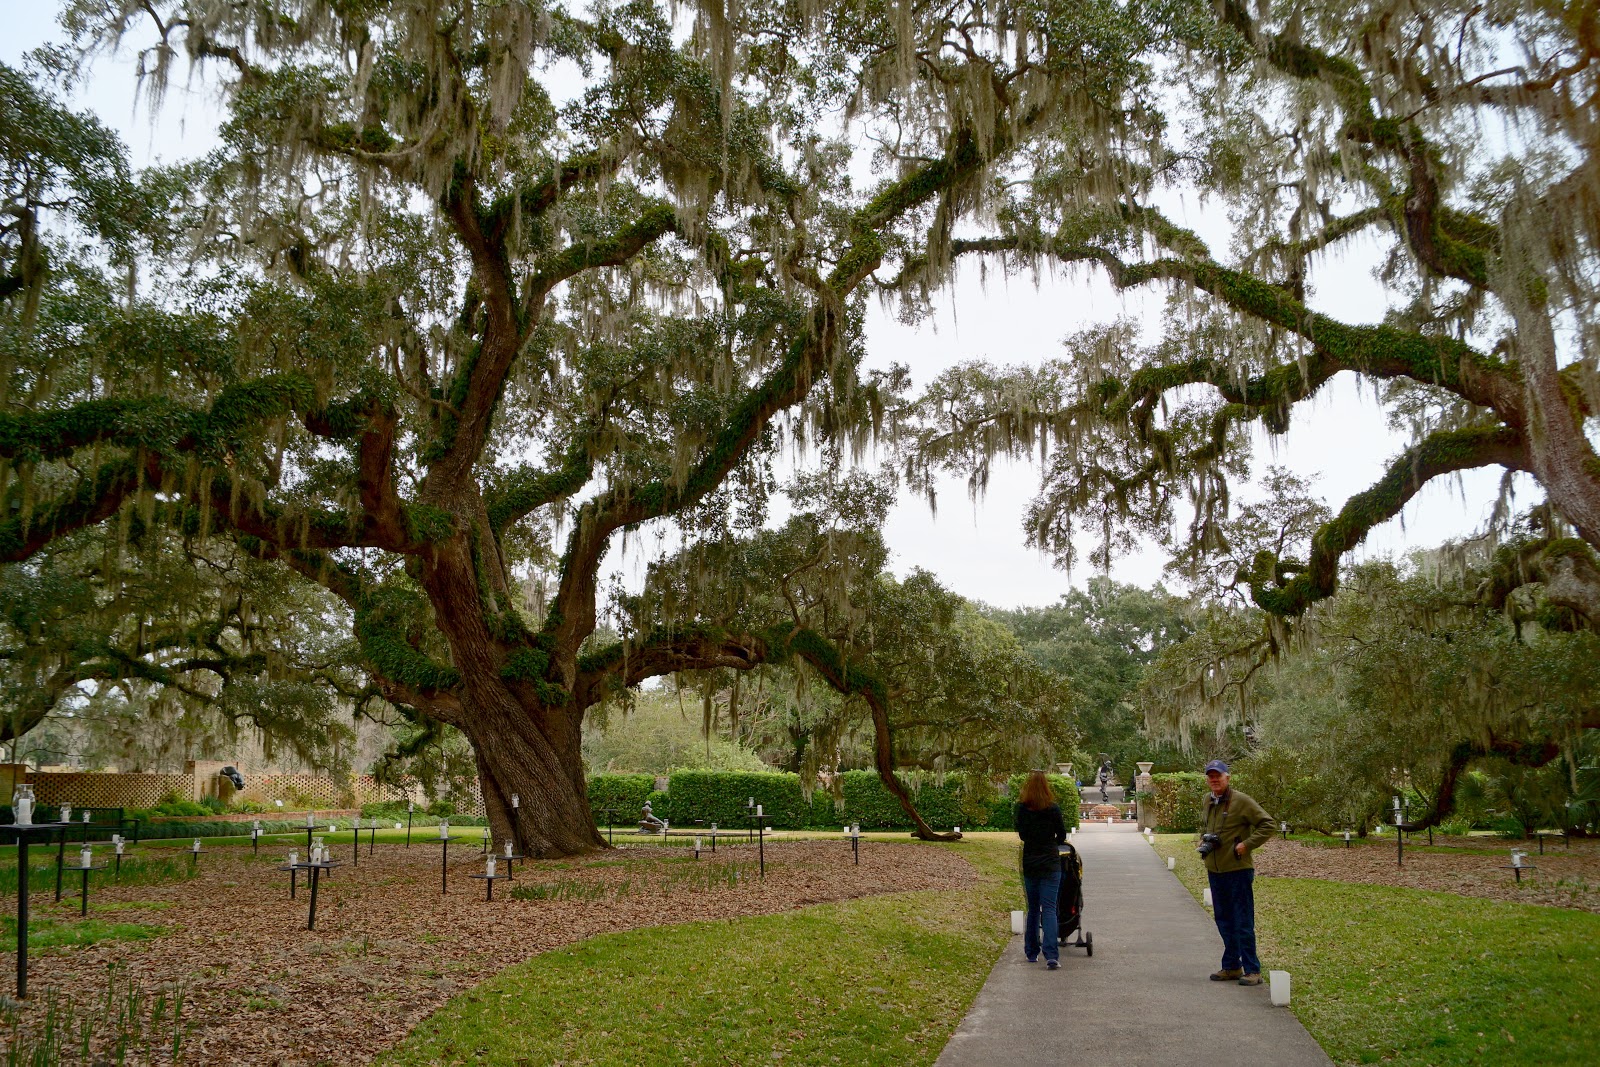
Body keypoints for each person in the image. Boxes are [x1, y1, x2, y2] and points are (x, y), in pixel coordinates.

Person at [1199, 759, 1276, 986]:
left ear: (1227, 778)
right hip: (1215, 869)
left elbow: (1267, 824)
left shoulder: (1241, 801)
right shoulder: (1207, 800)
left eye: (1218, 776)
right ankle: (1232, 966)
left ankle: (1253, 970)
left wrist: (1246, 845)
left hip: (1238, 870)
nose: (1214, 780)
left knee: (1242, 920)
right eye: (1210, 776)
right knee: (1223, 919)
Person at [1015, 770, 1068, 969]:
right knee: (1049, 908)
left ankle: (1031, 951)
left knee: (1033, 908)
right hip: (1050, 862)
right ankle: (1052, 954)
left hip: (1031, 862)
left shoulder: (1022, 809)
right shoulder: (1053, 808)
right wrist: (1051, 841)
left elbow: (1022, 835)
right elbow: (1061, 834)